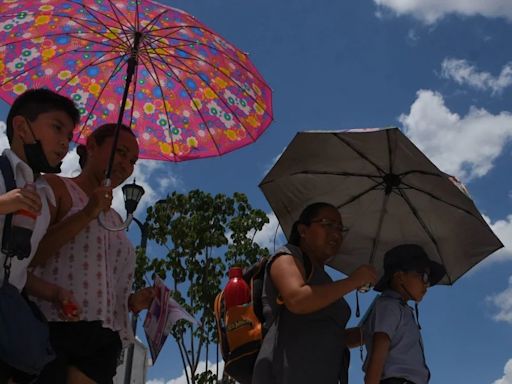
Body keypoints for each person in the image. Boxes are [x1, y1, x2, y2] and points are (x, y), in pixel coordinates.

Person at [30, 123, 155, 384]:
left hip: (100, 344)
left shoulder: (115, 219)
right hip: (51, 329)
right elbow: (29, 254)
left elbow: (103, 280)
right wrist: (87, 212)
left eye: (132, 160)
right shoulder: (56, 188)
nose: (126, 164)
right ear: (92, 147)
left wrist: (131, 302)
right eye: (120, 152)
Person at [0, 88, 81, 383]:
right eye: (57, 127)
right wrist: (4, 204)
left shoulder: (44, 198)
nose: (64, 142)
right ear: (22, 127)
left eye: (70, 136)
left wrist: (54, 293)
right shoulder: (1, 173)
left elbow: (17, 271)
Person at [252, 202, 378, 384]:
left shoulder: (325, 281)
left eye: (340, 228)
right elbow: (298, 299)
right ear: (303, 230)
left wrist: (371, 332)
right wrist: (353, 281)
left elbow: (330, 336)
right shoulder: (286, 257)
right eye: (327, 224)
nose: (336, 233)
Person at [362, 244, 446, 384]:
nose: (427, 284)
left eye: (429, 279)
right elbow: (380, 346)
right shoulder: (389, 305)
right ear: (399, 276)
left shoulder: (401, 308)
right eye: (423, 276)